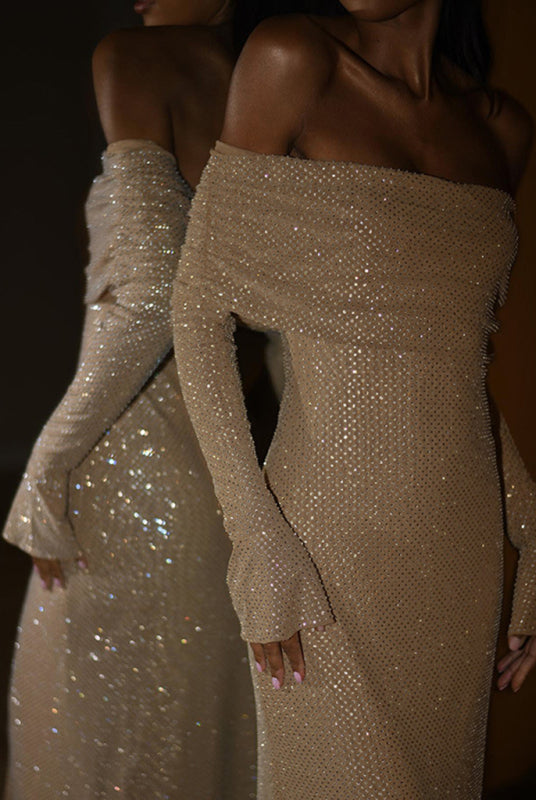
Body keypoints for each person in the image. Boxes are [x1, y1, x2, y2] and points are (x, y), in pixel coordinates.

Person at [171, 1, 536, 797]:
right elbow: (197, 311)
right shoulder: (291, 60)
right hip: (321, 555)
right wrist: (257, 539)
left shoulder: (503, 129)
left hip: (459, 555)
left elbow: (454, 371)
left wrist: (532, 523)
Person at [0, 1, 287, 797]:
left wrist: (48, 463)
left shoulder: (131, 56)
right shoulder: (279, 87)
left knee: (98, 748)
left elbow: (156, 295)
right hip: (222, 475)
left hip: (126, 469)